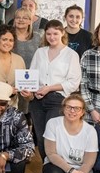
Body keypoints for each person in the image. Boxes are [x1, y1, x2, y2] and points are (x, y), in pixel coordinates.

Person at [22, 19, 81, 160]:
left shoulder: (71, 54)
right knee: (41, 138)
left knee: (52, 137)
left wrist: (48, 88)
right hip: (37, 100)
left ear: (62, 33)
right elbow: (32, 74)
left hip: (57, 100)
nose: (52, 37)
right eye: (48, 34)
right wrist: (29, 90)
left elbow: (73, 83)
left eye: (55, 33)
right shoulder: (40, 52)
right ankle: (46, 167)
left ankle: (57, 168)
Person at [41, 94, 97, 173]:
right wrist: (71, 171)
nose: (72, 111)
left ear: (82, 112)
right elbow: (50, 153)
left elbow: (89, 162)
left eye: (77, 108)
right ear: (63, 108)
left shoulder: (90, 131)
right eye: (69, 107)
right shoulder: (53, 123)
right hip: (59, 167)